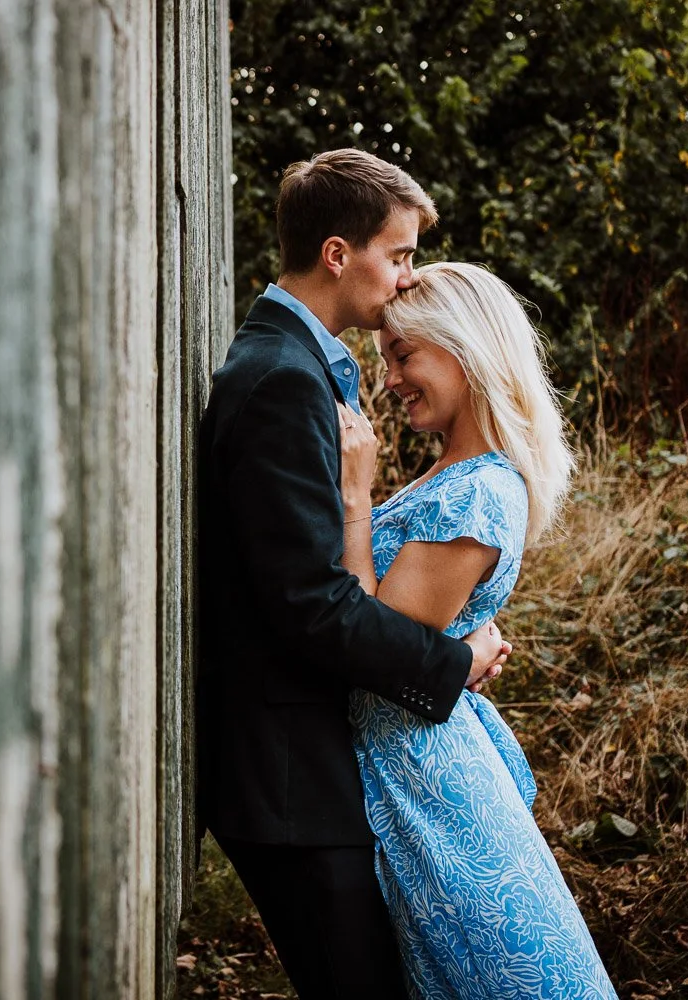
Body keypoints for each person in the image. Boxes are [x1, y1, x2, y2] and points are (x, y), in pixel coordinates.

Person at [195, 148, 510, 999]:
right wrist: (454, 662)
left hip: (302, 769)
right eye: (398, 254)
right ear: (339, 254)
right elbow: (311, 605)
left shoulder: (290, 367)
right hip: (286, 776)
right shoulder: (280, 382)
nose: (406, 278)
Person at [338, 261, 618, 998]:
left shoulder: (480, 488)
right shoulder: (457, 476)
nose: (391, 378)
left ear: (463, 349)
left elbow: (371, 640)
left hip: (432, 786)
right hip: (415, 762)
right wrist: (462, 648)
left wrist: (356, 498)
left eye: (403, 356)